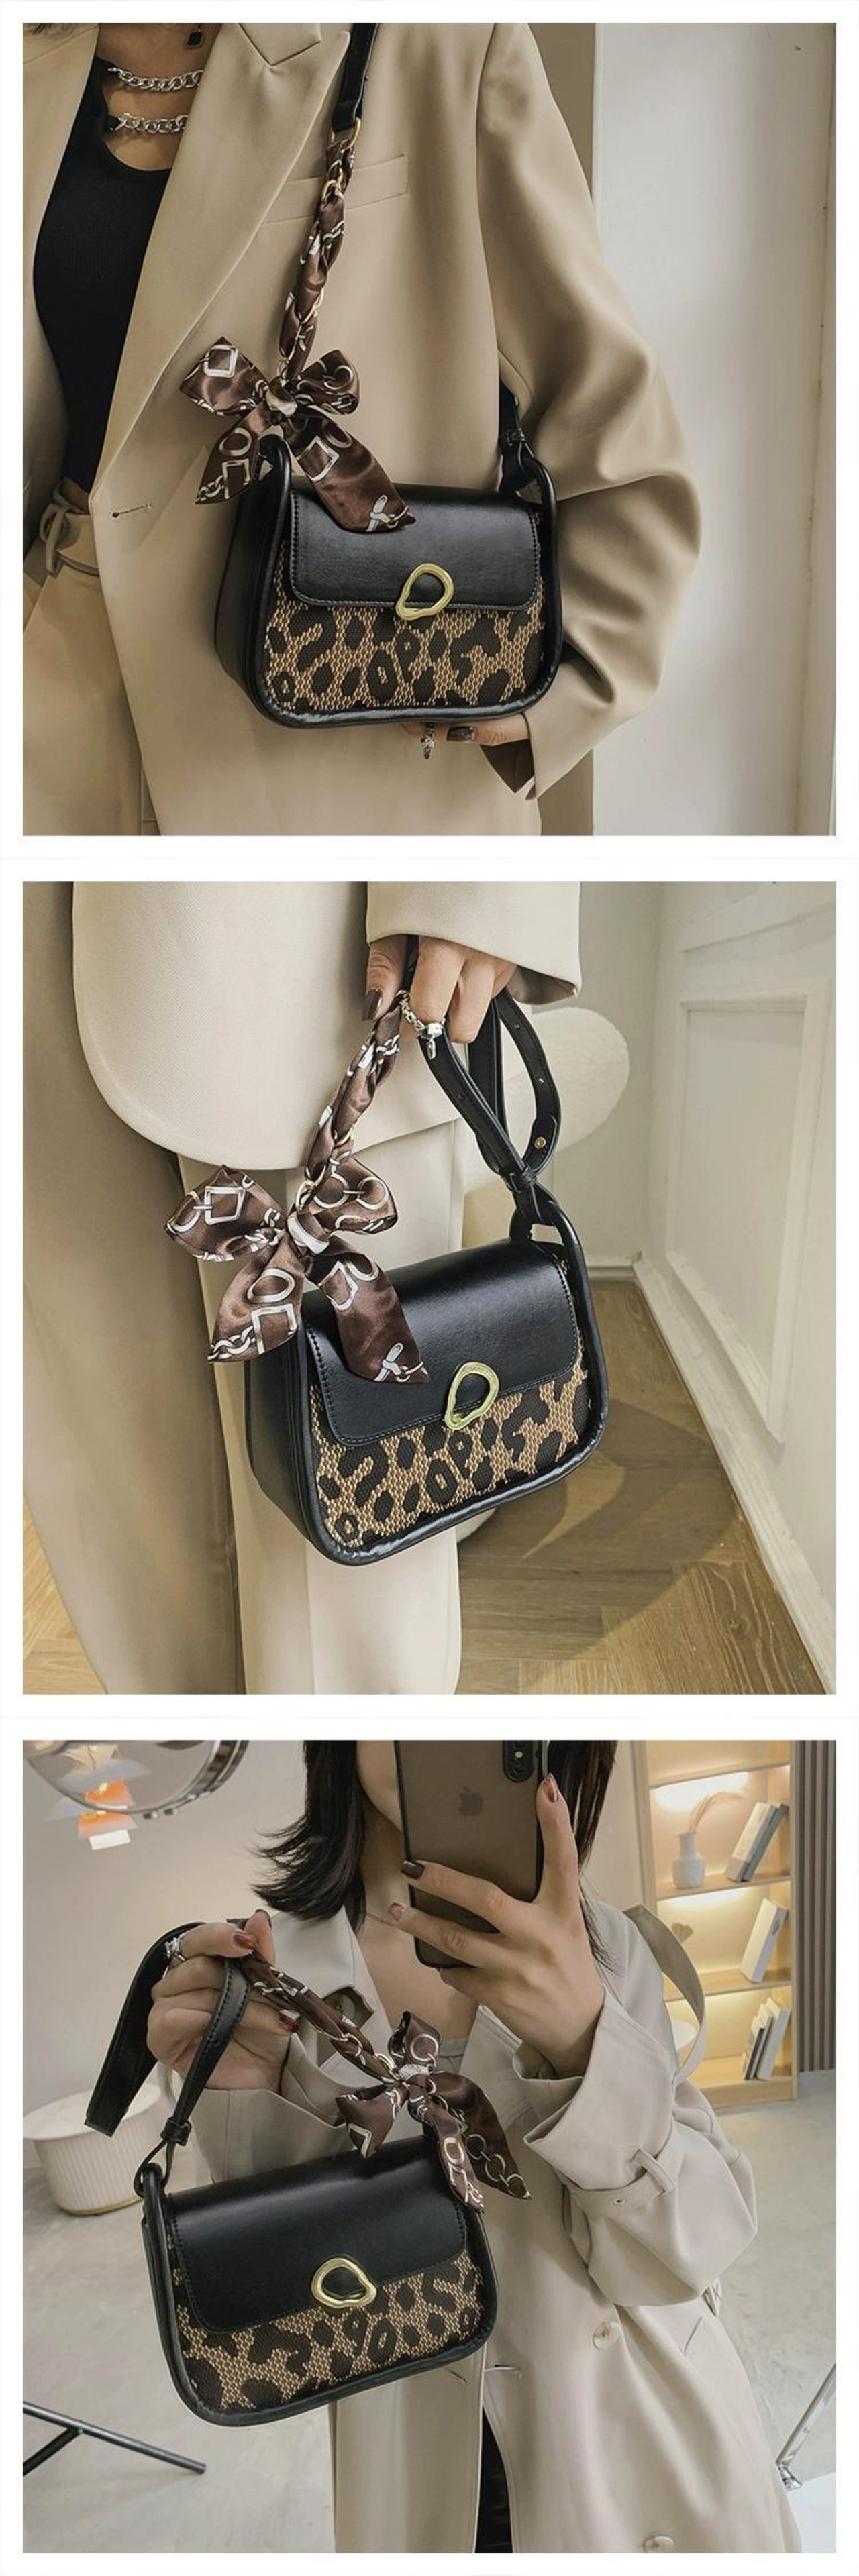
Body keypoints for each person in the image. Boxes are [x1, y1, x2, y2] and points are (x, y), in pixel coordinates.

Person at [23, 21, 701, 835]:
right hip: (52, 677)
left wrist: (559, 682)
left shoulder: (440, 39)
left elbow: (600, 397)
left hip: (340, 705)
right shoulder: (34, 58)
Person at [148, 1743, 801, 2555]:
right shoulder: (270, 1977)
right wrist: (241, 2087)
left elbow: (686, 2255)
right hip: (417, 2474)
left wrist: (583, 2044)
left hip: (647, 2453)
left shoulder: (601, 1947)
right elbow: (287, 2312)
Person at [24, 878, 581, 1694]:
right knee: (115, 1446)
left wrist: (476, 889)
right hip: (41, 953)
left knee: (361, 1515)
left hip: (312, 965)